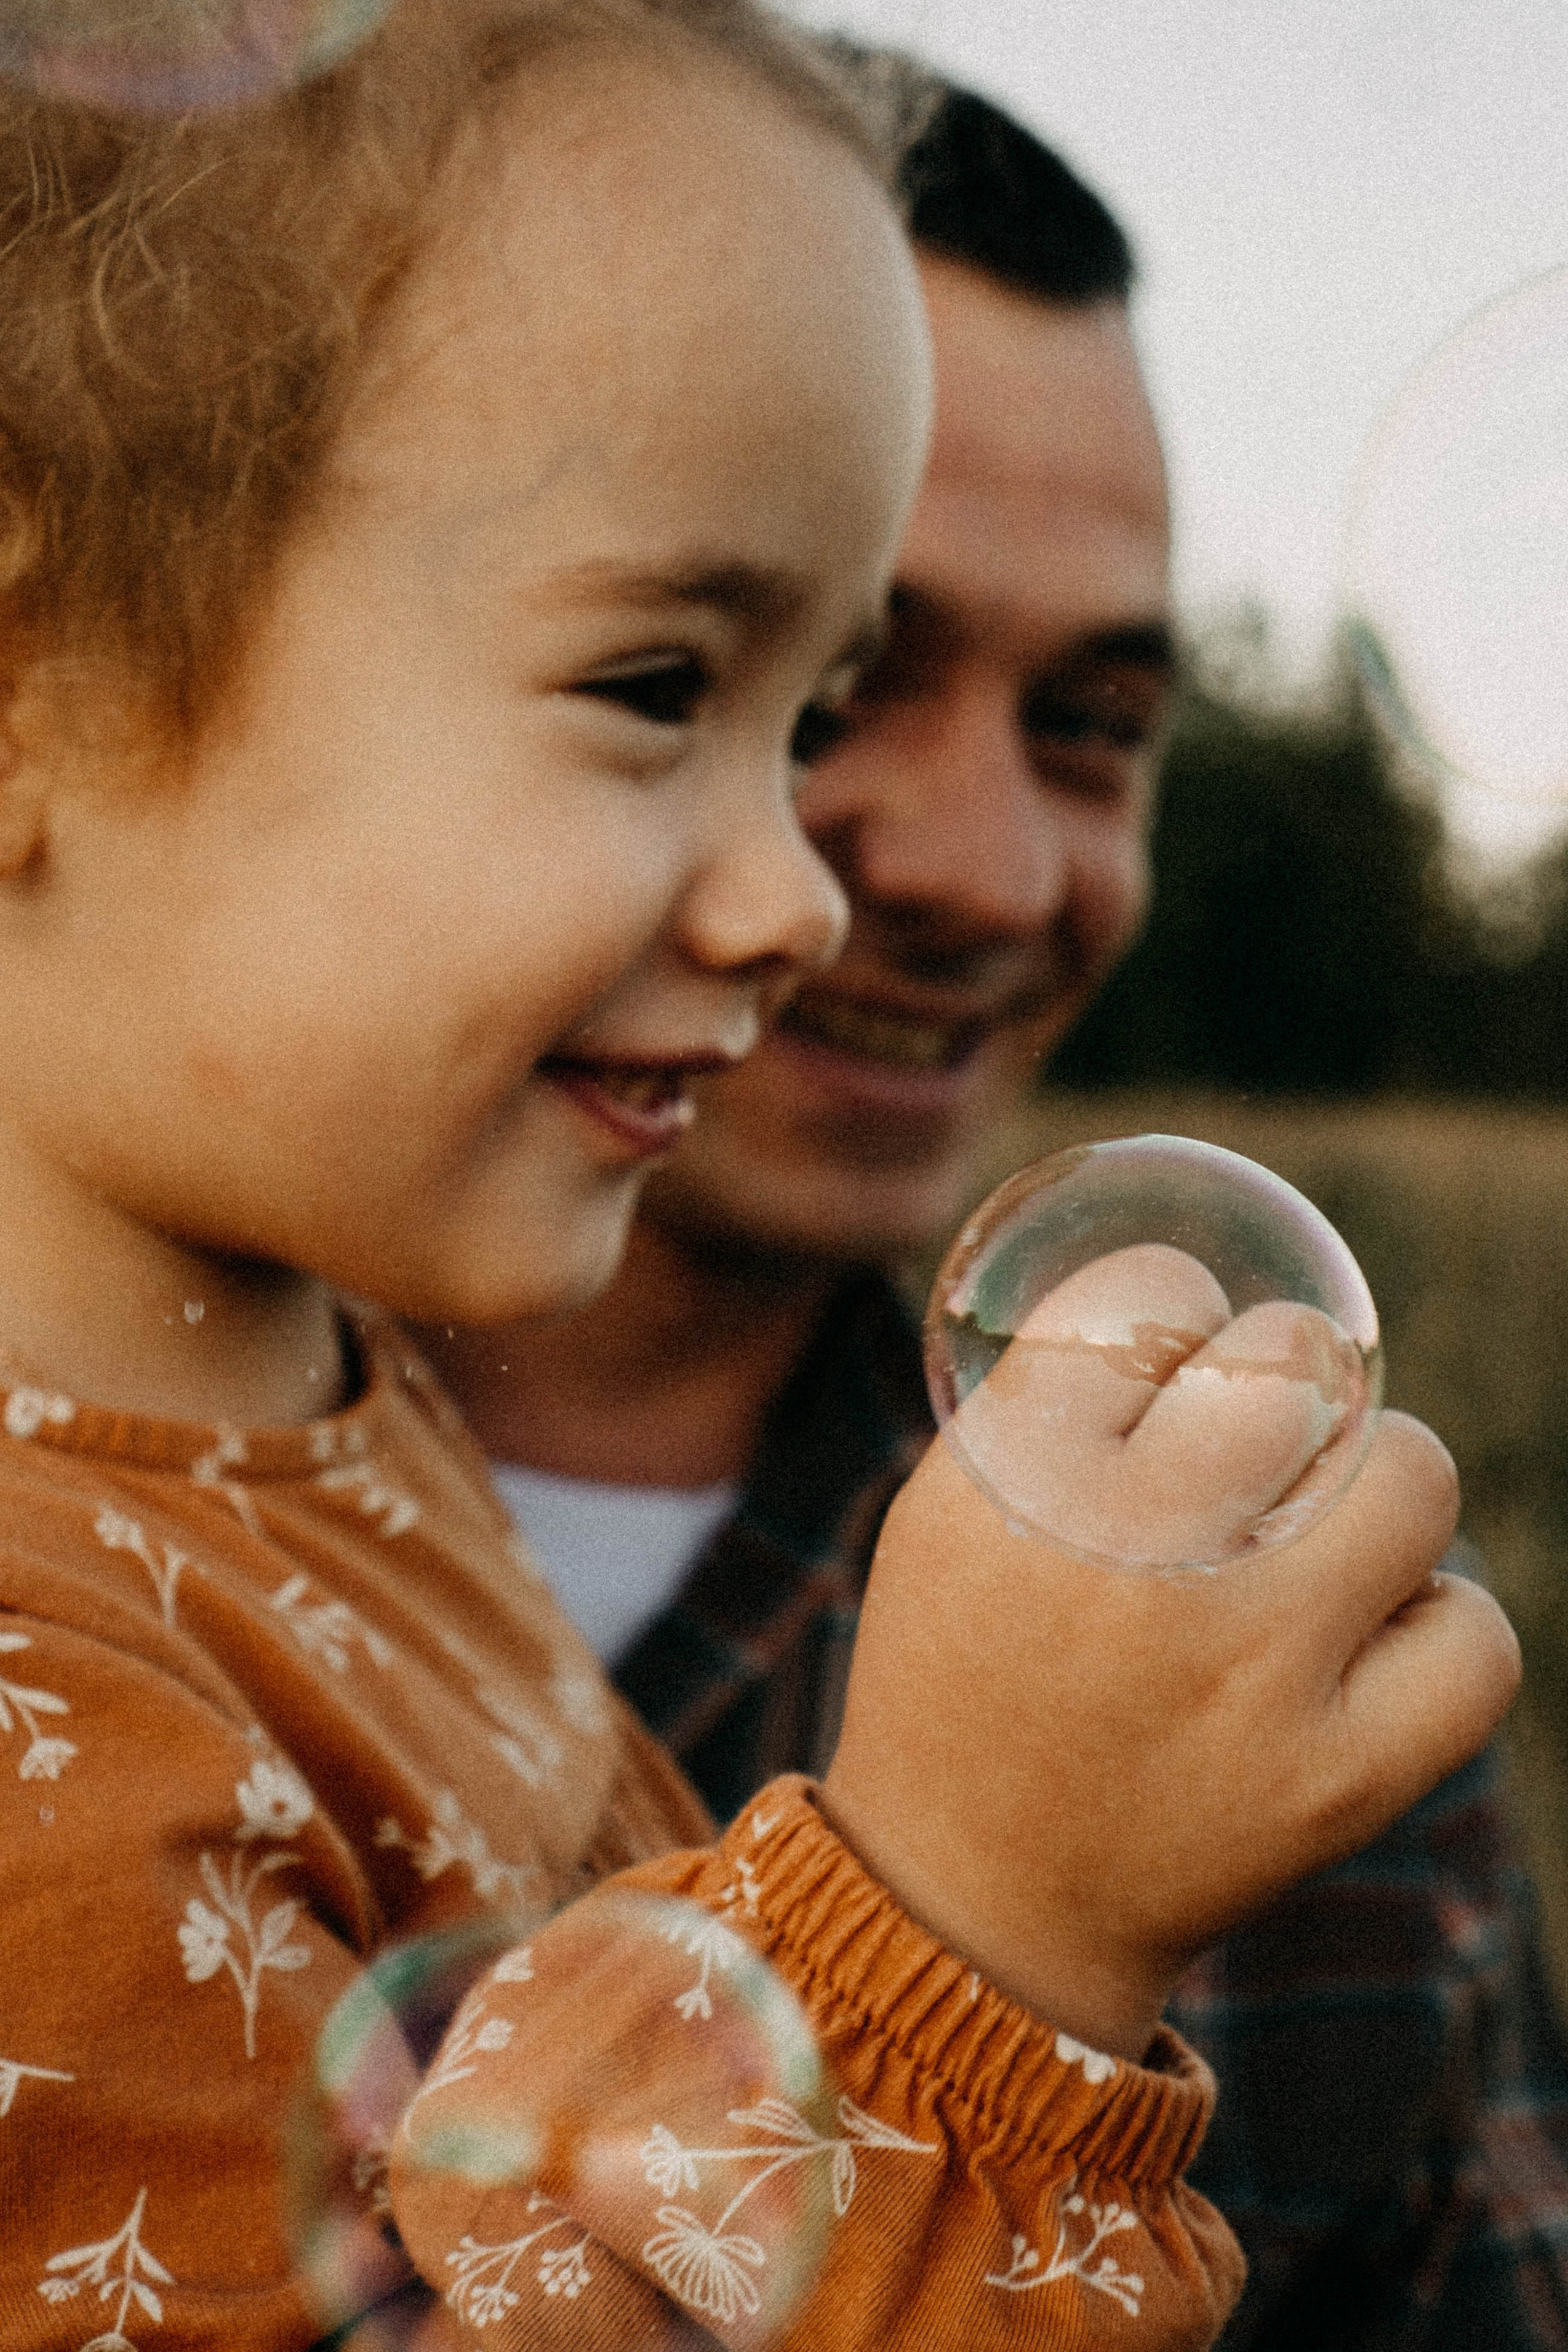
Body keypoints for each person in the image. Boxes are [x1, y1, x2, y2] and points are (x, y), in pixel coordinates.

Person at [0, 9, 1515, 2345]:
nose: (810, 883)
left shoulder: (304, 1426)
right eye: (652, 683)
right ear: (34, 684)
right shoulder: (48, 1738)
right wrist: (967, 1928)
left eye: (1094, 728)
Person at [426, 76, 1568, 2351]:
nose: (989, 871)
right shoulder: (116, 1570)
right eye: (841, 678)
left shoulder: (1286, 1685)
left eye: (1101, 722)